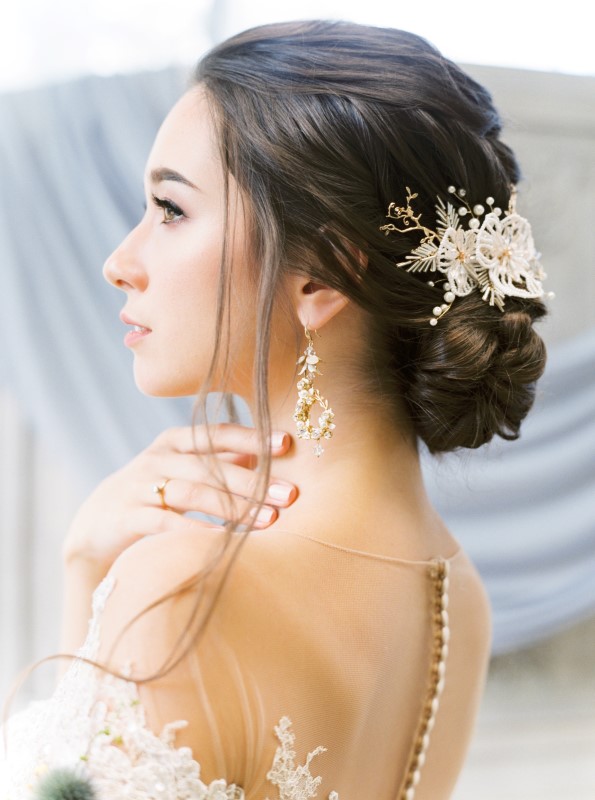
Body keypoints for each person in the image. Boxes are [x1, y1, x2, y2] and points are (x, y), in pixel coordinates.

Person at [0, 19, 548, 800]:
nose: (120, 261)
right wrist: (87, 567)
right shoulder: (456, 595)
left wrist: (91, 576)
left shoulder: (177, 590)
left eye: (171, 209)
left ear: (321, 276)